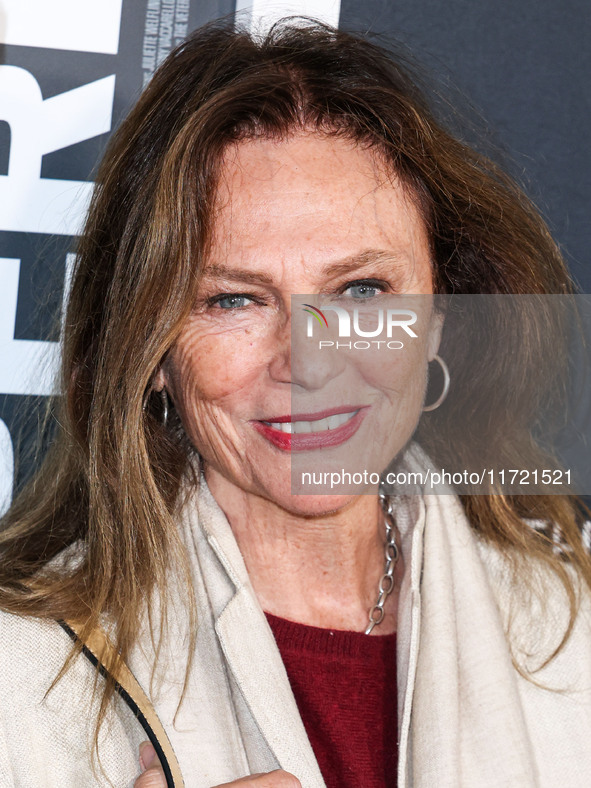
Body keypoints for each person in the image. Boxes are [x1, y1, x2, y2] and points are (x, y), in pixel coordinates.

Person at [1, 18, 590, 788]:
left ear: (441, 317)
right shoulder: (20, 670)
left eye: (360, 290)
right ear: (150, 355)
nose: (308, 363)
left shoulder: (570, 616)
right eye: (234, 300)